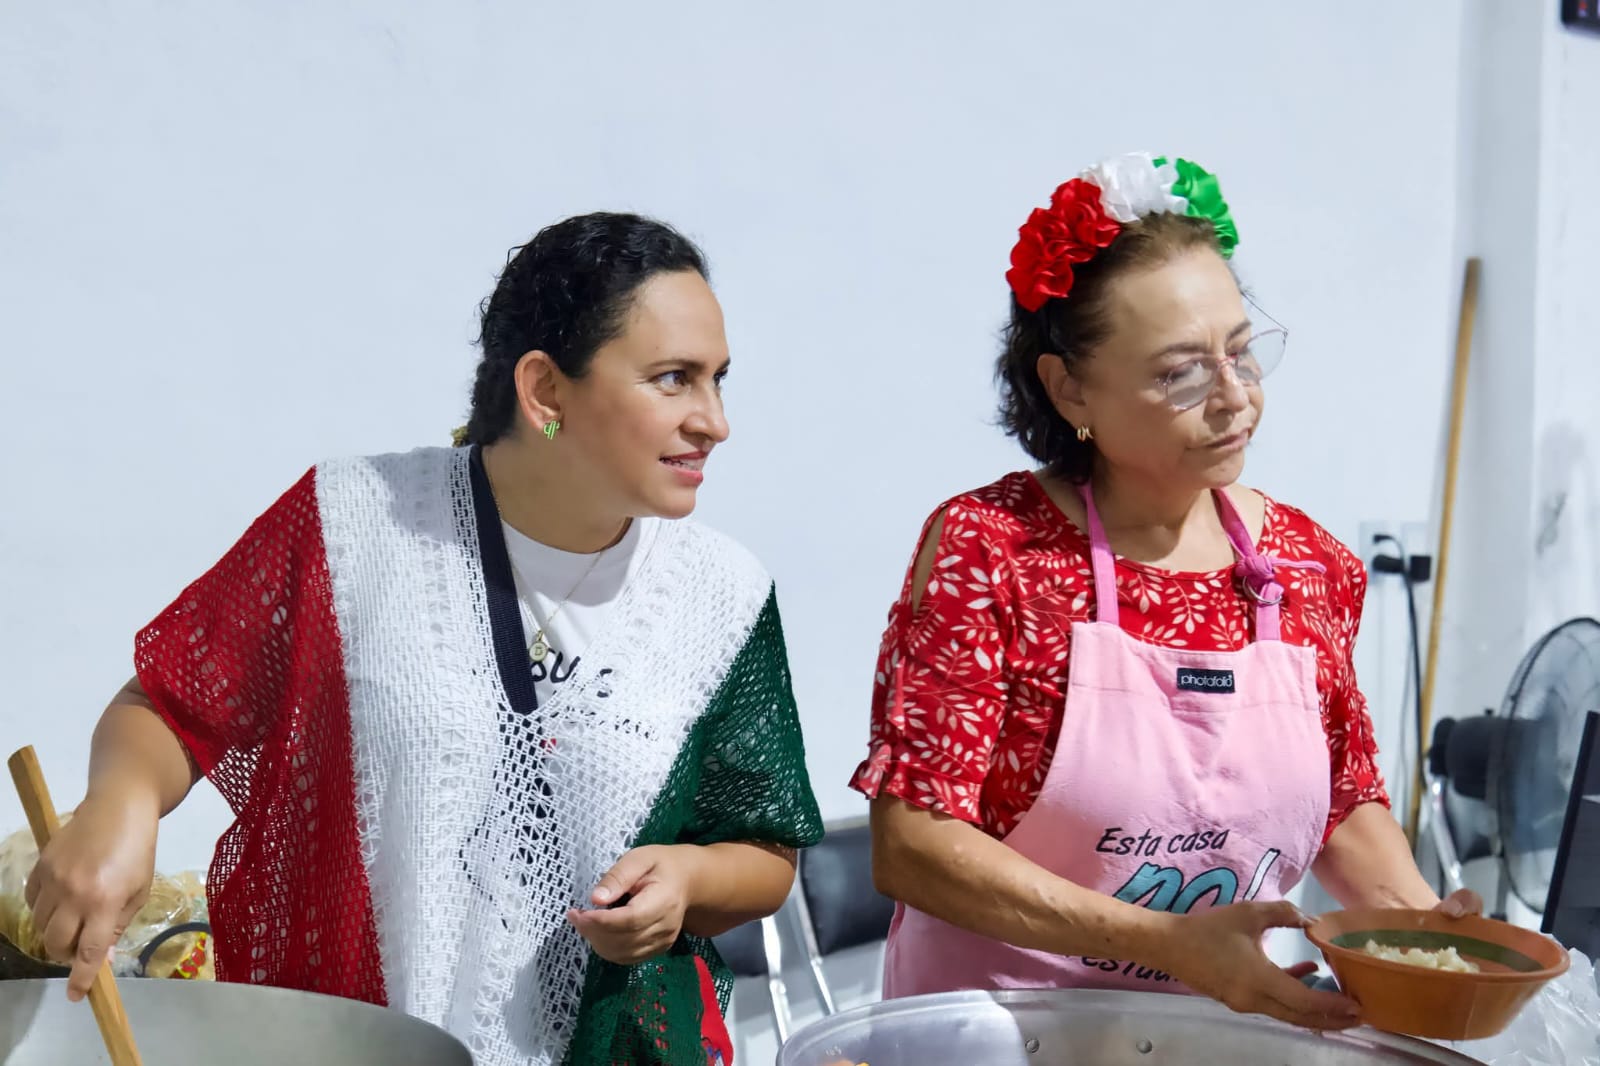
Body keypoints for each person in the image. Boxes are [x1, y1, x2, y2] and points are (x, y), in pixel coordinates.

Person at [26, 212, 823, 1066]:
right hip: (353, 1045)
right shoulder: (352, 525)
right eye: (674, 379)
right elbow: (173, 704)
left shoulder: (725, 598)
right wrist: (119, 809)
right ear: (545, 390)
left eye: (718, 381)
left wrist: (690, 882)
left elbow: (765, 849)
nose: (714, 420)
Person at [848, 152, 1479, 1031]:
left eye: (1243, 354)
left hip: (1213, 1036)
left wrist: (1423, 939)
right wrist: (1167, 943)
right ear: (1069, 388)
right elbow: (914, 846)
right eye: (1182, 373)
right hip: (996, 1033)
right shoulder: (995, 551)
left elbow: (1341, 805)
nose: (1234, 400)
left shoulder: (1304, 564)